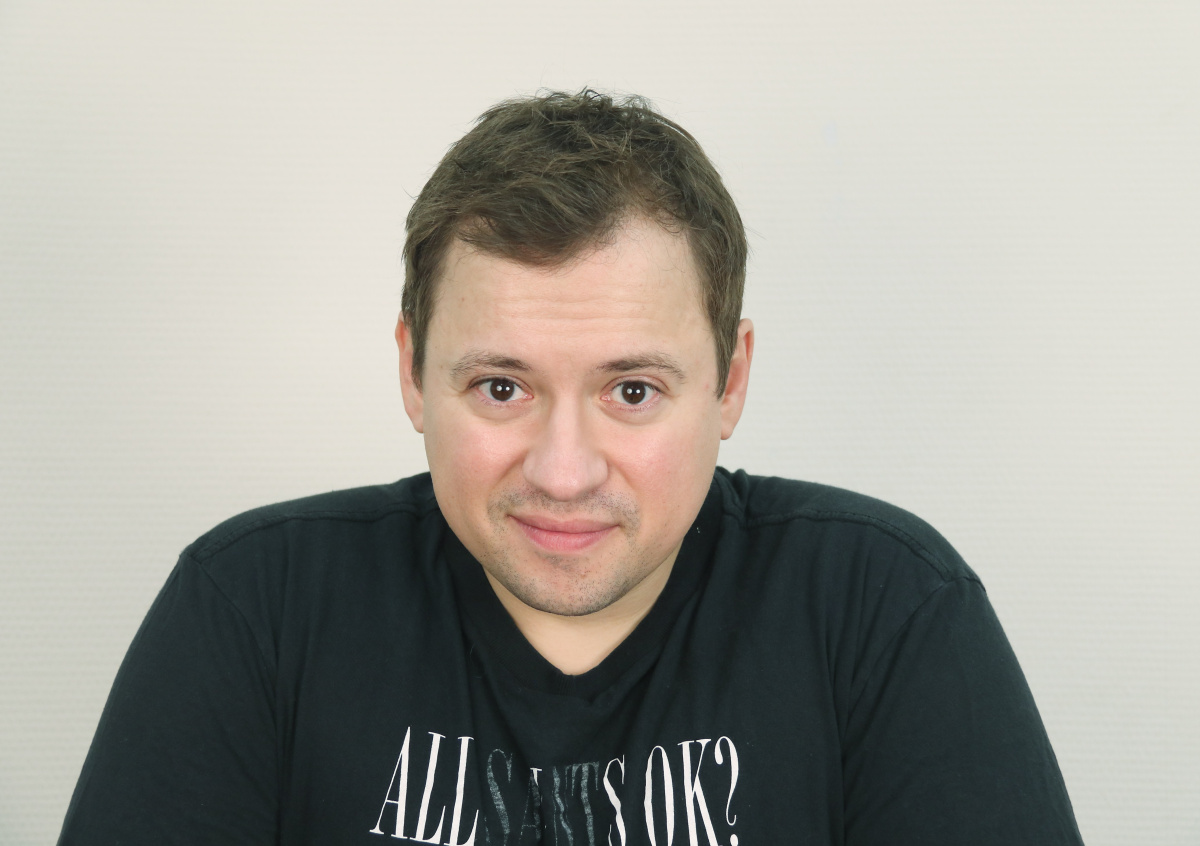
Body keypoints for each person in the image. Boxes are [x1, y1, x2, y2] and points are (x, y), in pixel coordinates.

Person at [59, 90, 1083, 845]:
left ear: (729, 382)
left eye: (631, 391)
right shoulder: (258, 608)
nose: (562, 472)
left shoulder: (881, 607)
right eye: (501, 387)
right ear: (413, 374)